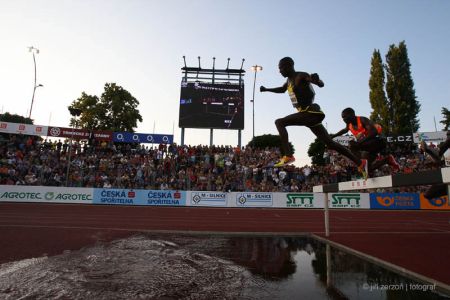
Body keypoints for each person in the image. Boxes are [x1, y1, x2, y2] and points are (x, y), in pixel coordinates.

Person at [260, 57, 368, 177]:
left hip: (311, 112)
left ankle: (288, 155)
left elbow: (316, 82)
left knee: (279, 122)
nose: (279, 71)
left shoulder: (301, 76)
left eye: (281, 68)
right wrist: (266, 89)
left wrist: (318, 81)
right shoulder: (289, 81)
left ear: (289, 66)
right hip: (307, 116)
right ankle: (360, 163)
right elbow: (281, 89)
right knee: (330, 143)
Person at [330, 107, 400, 174]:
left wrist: (360, 142)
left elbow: (374, 132)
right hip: (369, 147)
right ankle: (387, 159)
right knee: (368, 169)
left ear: (352, 115)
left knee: (351, 144)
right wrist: (334, 135)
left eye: (345, 117)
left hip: (378, 142)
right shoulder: (349, 124)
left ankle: (361, 162)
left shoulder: (362, 120)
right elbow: (344, 130)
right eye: (342, 118)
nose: (344, 119)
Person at [420, 131, 450, 199]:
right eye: (447, 135)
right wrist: (434, 164)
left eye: (448, 136)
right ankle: (429, 150)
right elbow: (444, 161)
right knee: (427, 195)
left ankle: (429, 150)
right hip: (447, 177)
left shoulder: (445, 147)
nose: (447, 137)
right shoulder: (446, 151)